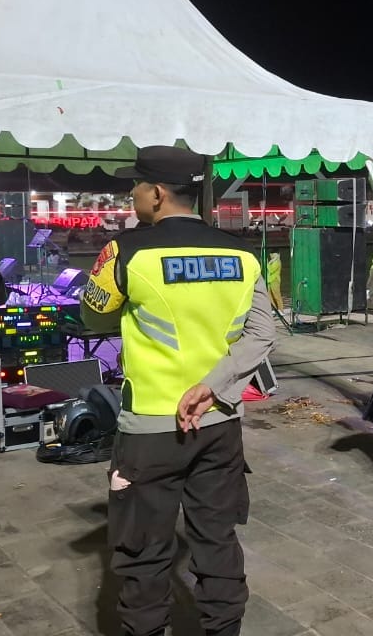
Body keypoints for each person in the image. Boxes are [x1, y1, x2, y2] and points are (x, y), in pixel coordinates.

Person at [81, 145, 275, 636]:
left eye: (136, 185)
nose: (131, 194)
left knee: (143, 552)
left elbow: (93, 315)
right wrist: (212, 386)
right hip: (219, 424)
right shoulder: (242, 253)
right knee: (217, 540)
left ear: (157, 193)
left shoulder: (127, 251)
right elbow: (261, 334)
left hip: (150, 430)